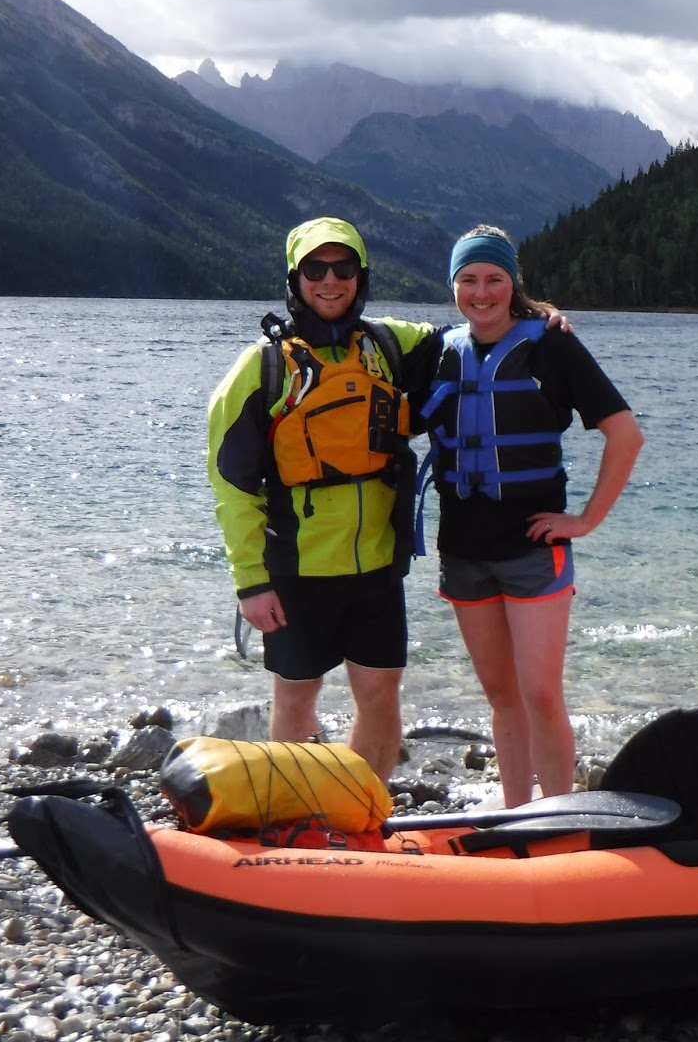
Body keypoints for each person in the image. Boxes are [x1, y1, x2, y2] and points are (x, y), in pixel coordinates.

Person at [206, 217, 440, 781]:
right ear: (295, 278)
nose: (330, 281)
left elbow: (466, 336)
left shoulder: (390, 345)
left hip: (378, 565)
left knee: (381, 693)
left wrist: (534, 316)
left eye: (344, 269)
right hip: (298, 569)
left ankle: (365, 813)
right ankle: (295, 821)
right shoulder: (260, 368)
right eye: (315, 269)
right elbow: (232, 486)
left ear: (362, 277)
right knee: (295, 699)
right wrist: (250, 582)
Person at [419, 225, 644, 807]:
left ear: (512, 284)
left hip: (531, 551)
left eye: (494, 279)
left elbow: (625, 436)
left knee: (541, 693)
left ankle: (562, 819)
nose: (482, 292)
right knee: (501, 696)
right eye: (468, 279)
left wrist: (586, 521)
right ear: (454, 287)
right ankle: (517, 816)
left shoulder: (552, 345)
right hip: (463, 553)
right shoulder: (440, 351)